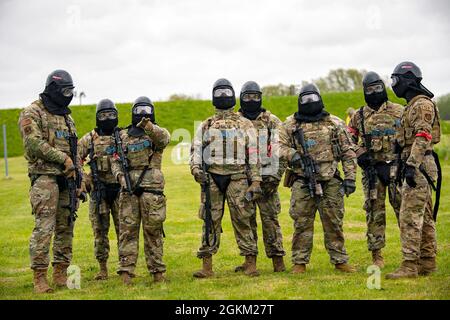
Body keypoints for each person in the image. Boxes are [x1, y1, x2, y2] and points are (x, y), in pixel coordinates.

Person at [278, 83, 357, 274]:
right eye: (305, 99)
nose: (309, 103)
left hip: (330, 179)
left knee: (333, 221)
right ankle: (299, 262)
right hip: (302, 180)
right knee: (301, 222)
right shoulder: (290, 124)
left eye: (313, 98)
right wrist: (293, 155)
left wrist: (350, 178)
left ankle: (339, 259)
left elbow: (348, 151)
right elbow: (278, 147)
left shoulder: (334, 123)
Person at [18, 70, 85, 293]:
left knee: (66, 227)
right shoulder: (32, 112)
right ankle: (39, 277)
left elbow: (75, 151)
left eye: (71, 91)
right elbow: (33, 144)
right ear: (54, 89)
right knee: (44, 228)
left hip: (67, 180)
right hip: (44, 179)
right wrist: (62, 159)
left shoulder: (67, 117)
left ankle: (60, 273)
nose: (69, 95)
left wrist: (80, 178)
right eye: (65, 91)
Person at [190, 78, 262, 278]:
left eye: (226, 92)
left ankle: (250, 263)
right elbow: (196, 149)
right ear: (213, 96)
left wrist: (255, 181)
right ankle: (207, 266)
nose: (223, 96)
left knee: (243, 218)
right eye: (219, 93)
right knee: (209, 220)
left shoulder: (245, 124)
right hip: (212, 177)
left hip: (238, 177)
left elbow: (253, 153)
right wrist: (196, 169)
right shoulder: (207, 124)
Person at [386, 62, 441, 279]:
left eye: (395, 80)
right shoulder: (412, 105)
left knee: (409, 215)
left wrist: (411, 164)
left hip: (418, 166)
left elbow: (423, 135)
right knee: (424, 215)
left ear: (407, 80)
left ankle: (410, 265)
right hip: (417, 164)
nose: (393, 85)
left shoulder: (421, 105)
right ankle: (427, 262)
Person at [111, 96, 170, 284]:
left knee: (154, 230)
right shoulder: (121, 136)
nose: (143, 114)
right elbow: (115, 160)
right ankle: (126, 272)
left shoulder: (156, 133)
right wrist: (120, 176)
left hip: (152, 191)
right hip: (128, 190)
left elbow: (164, 139)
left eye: (146, 110)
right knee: (127, 231)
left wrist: (149, 126)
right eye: (139, 110)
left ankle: (157, 272)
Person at [347, 71, 403, 267]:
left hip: (397, 169)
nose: (374, 92)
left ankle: (411, 253)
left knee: (403, 211)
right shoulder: (359, 116)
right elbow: (347, 140)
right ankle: (377, 255)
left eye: (377, 88)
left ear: (384, 87)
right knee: (374, 213)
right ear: (364, 91)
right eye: (369, 89)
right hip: (372, 172)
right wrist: (359, 152)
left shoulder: (399, 111)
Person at [237, 80, 287, 272]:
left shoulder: (271, 121)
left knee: (270, 220)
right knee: (245, 221)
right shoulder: (236, 121)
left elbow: (282, 150)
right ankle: (250, 262)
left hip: (268, 180)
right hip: (242, 179)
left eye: (255, 96)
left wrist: (275, 177)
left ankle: (278, 261)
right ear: (241, 98)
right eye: (247, 96)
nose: (251, 100)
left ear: (261, 97)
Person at [78, 99, 121, 280]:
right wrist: (85, 180)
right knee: (100, 232)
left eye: (111, 114)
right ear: (97, 118)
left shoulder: (122, 136)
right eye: (103, 115)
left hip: (120, 191)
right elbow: (76, 159)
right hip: (98, 192)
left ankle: (125, 267)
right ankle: (102, 269)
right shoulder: (89, 138)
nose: (107, 118)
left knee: (125, 231)